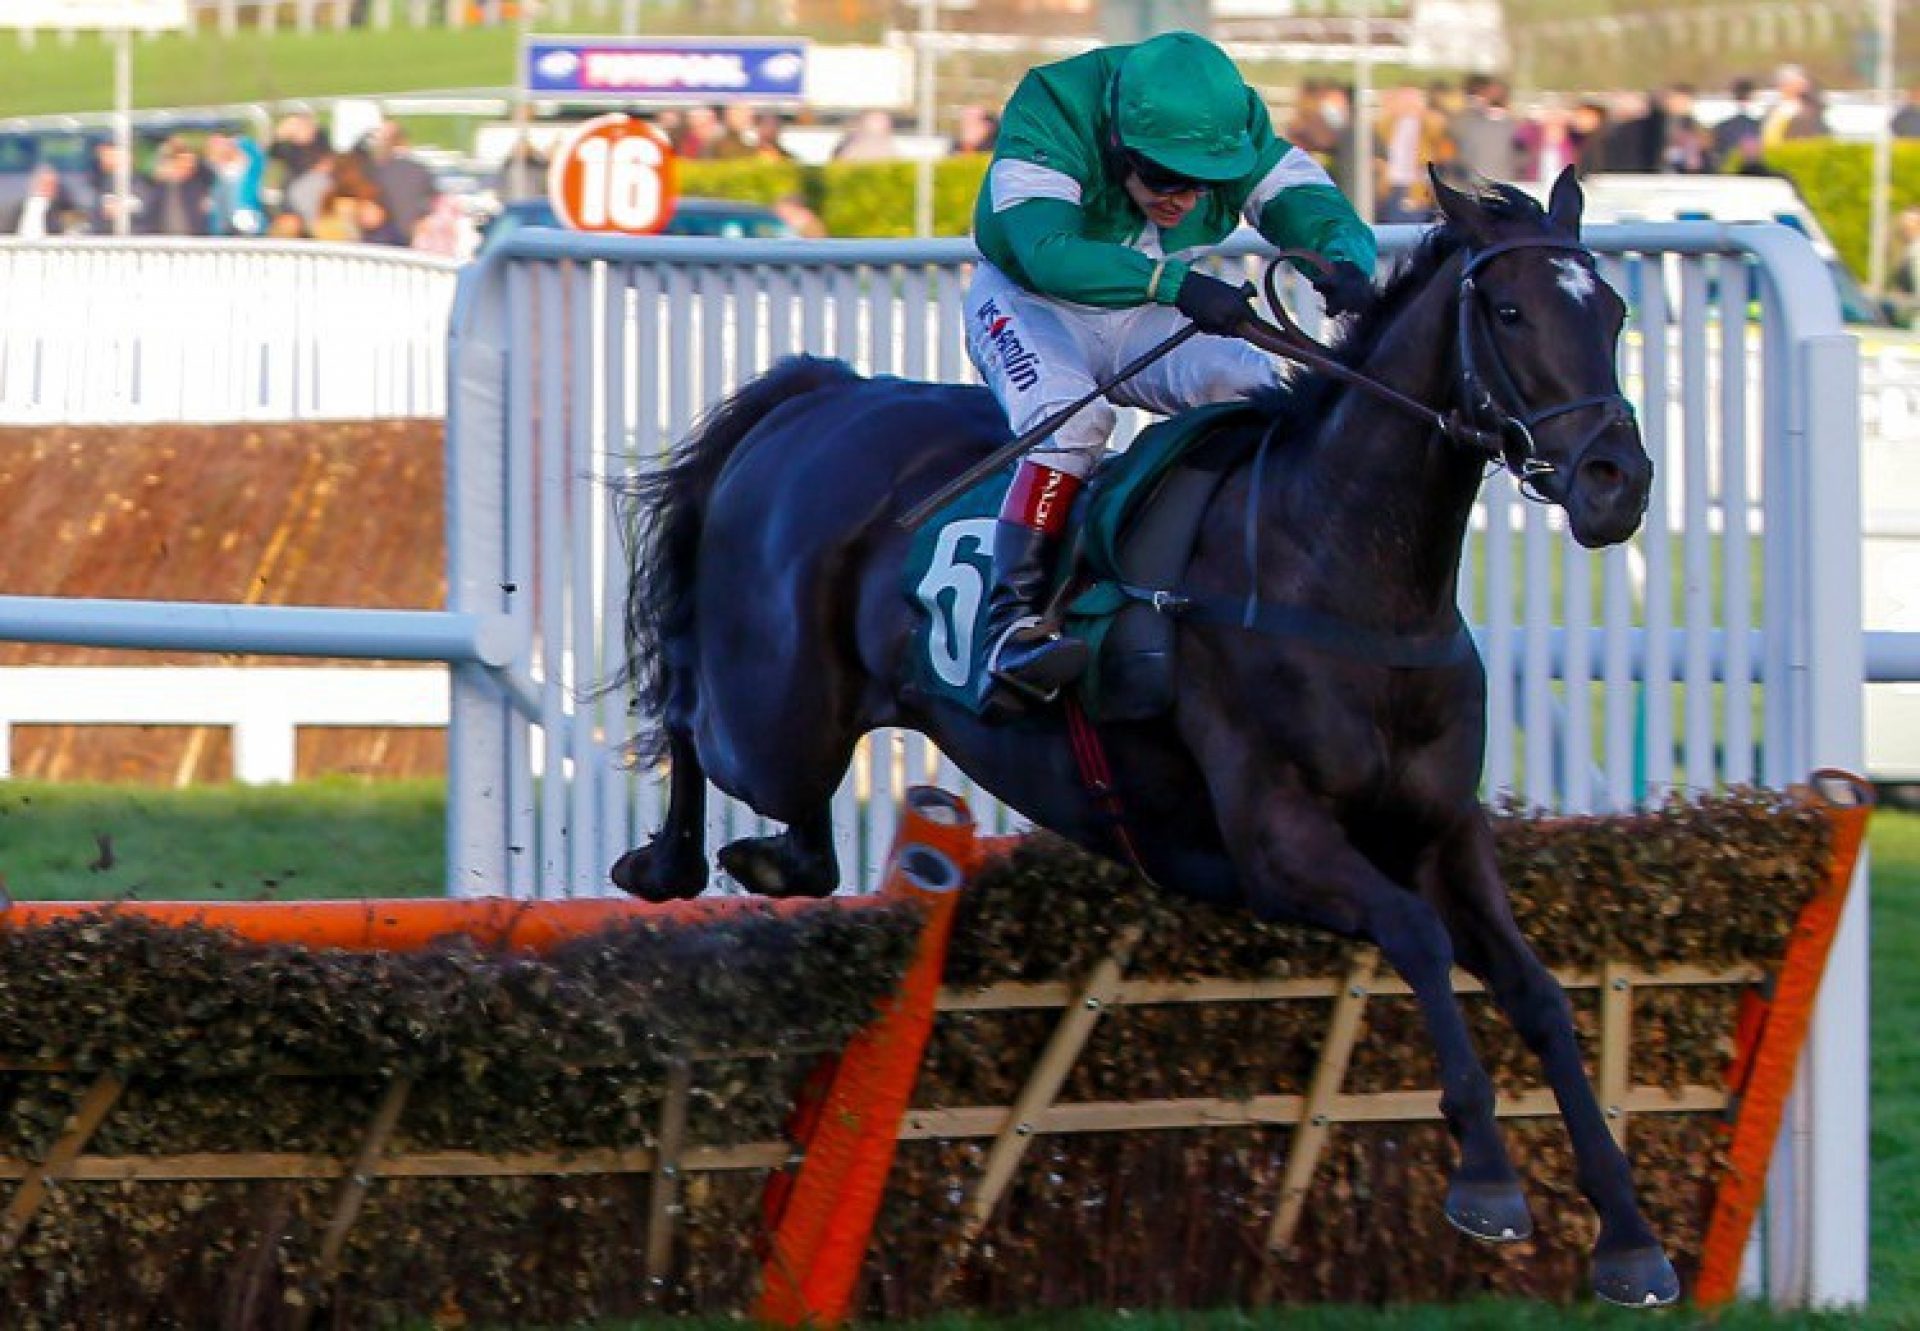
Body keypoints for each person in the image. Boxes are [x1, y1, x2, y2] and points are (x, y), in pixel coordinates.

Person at [965, 30, 1376, 712]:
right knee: (1073, 418)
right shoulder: (1053, 105)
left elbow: (1305, 200)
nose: (1183, 199)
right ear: (1121, 143)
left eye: (1203, 183)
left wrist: (1344, 261)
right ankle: (1011, 628)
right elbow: (1047, 253)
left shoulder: (1229, 121)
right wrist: (1173, 282)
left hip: (1137, 304)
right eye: (1162, 176)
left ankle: (1245, 585)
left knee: (1253, 390)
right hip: (1027, 300)